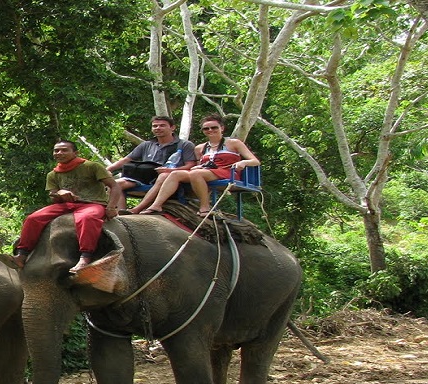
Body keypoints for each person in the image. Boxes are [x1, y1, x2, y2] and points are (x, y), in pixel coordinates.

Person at [13, 140, 123, 272]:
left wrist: (111, 207)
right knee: (33, 218)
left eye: (64, 150)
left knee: (87, 218)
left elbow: (114, 186)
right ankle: (22, 255)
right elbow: (53, 196)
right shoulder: (53, 174)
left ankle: (85, 258)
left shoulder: (92, 166)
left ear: (75, 153)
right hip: (66, 205)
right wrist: (60, 193)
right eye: (56, 150)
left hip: (92, 203)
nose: (59, 153)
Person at [129, 114, 261, 216]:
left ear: (222, 128)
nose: (210, 130)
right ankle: (156, 205)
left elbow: (255, 161)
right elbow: (199, 166)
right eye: (206, 128)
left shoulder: (233, 143)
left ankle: (204, 207)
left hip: (227, 172)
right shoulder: (200, 148)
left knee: (196, 173)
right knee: (176, 174)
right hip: (204, 172)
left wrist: (243, 162)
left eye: (214, 127)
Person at [105, 115, 198, 210]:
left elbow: (190, 165)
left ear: (172, 127)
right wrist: (105, 171)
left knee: (163, 176)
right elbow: (125, 160)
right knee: (115, 184)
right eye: (155, 126)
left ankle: (137, 209)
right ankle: (120, 212)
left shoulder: (184, 145)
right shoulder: (146, 144)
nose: (158, 128)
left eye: (162, 125)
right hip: (144, 177)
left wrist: (171, 170)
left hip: (168, 178)